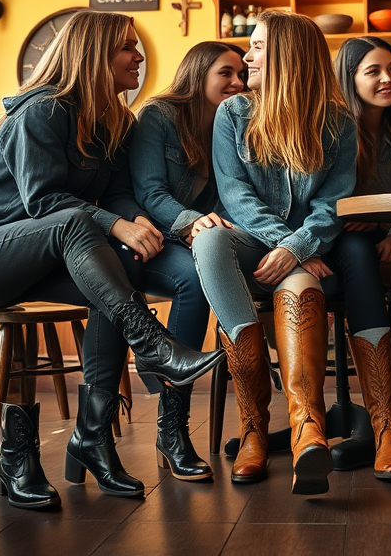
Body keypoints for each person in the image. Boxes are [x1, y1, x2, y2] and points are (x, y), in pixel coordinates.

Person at [0, 10, 225, 510]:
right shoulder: (43, 111)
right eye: (127, 48)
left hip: (42, 263)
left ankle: (92, 438)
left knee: (114, 285)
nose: (139, 56)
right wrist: (117, 226)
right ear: (94, 57)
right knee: (80, 232)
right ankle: (152, 343)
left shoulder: (116, 121)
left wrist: (134, 223)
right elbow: (44, 203)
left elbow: (115, 195)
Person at [191, 9, 356, 496]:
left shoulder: (338, 123)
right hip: (252, 242)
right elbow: (236, 196)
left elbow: (334, 203)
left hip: (306, 252)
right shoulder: (233, 113)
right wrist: (292, 245)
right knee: (211, 237)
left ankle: (308, 427)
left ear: (287, 54)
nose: (247, 56)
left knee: (301, 286)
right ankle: (253, 428)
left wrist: (298, 249)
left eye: (258, 46)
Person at [128, 41, 245, 482]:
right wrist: (194, 222)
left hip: (193, 241)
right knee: (195, 282)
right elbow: (148, 191)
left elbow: (232, 196)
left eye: (241, 73)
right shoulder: (158, 116)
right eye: (226, 73)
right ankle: (173, 426)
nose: (237, 82)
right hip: (144, 238)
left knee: (215, 272)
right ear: (198, 74)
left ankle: (255, 421)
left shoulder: (232, 122)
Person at [330, 35, 391, 481]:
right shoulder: (333, 128)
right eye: (373, 71)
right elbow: (327, 203)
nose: (388, 79)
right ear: (349, 79)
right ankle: (383, 424)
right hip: (343, 245)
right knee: (356, 254)